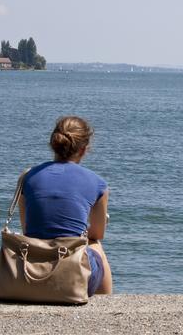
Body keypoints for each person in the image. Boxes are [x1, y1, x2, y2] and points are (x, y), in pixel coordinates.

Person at [18, 116, 113, 295]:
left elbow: (27, 230)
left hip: (32, 270)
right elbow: (97, 234)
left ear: (53, 143)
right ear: (84, 149)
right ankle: (106, 301)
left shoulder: (27, 177)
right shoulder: (98, 183)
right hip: (73, 272)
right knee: (95, 244)